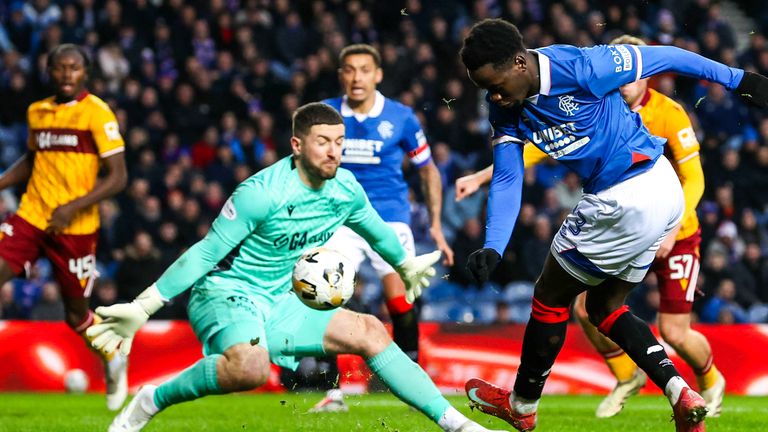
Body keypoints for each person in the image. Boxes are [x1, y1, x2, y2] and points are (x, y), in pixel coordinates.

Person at [87, 103, 502, 432]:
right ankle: (151, 400)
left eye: (339, 141)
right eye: (323, 142)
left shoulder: (345, 190)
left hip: (281, 301)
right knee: (249, 369)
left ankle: (458, 426)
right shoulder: (260, 193)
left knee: (372, 331)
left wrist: (403, 262)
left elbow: (377, 232)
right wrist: (143, 307)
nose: (334, 151)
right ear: (298, 146)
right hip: (228, 292)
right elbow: (206, 252)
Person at [458, 19, 767, 432]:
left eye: (495, 84)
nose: (493, 95)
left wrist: (737, 78)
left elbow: (668, 56)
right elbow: (508, 177)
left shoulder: (582, 66)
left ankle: (522, 405)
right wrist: (494, 244)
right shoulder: (505, 107)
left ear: (519, 62)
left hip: (626, 195)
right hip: (656, 193)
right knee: (604, 306)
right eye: (485, 89)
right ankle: (680, 393)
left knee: (550, 296)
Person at [313, 44, 454, 411]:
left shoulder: (402, 117)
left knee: (399, 299)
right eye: (349, 69)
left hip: (389, 218)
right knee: (325, 297)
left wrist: (436, 225)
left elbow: (427, 169)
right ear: (341, 74)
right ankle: (333, 392)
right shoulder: (326, 114)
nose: (356, 77)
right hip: (339, 220)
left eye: (364, 69)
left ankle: (410, 380)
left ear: (377, 75)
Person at [0, 44, 128, 410]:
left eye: (74, 68)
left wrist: (74, 207)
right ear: (50, 71)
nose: (67, 74)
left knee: (76, 315)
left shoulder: (96, 113)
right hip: (31, 216)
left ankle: (113, 353)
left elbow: (118, 176)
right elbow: (33, 159)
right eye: (60, 68)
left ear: (85, 72)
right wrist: (2, 182)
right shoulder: (37, 112)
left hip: (75, 227)